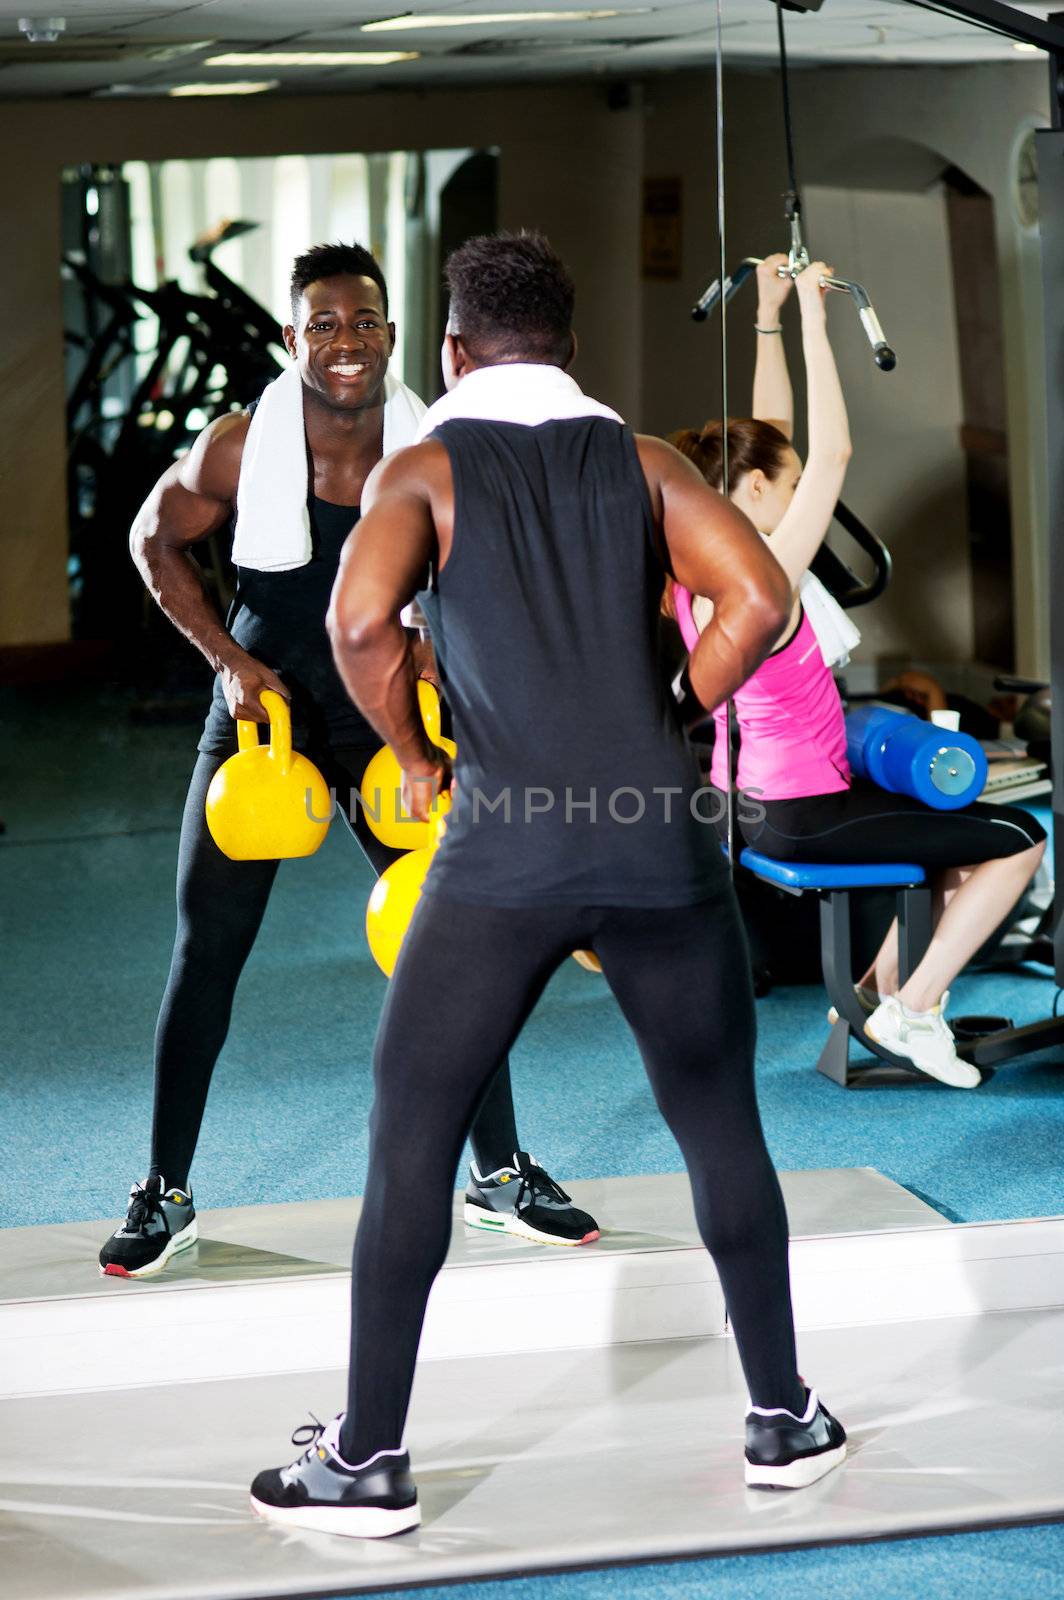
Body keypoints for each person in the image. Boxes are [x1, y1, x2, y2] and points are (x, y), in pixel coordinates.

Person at [249, 230, 848, 1538]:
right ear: (566, 348)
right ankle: (783, 1419)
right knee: (719, 1126)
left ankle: (366, 1460)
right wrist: (669, 708)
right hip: (656, 842)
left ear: (455, 352)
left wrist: (411, 754)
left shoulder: (426, 468)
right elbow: (755, 591)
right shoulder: (644, 463)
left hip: (505, 850)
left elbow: (358, 627)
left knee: (413, 1136)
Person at [98, 241, 598, 1280]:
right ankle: (164, 1189)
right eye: (322, 323)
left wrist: (436, 647)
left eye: (362, 321)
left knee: (452, 936)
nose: (345, 343)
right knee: (208, 949)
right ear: (293, 338)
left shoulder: (438, 447)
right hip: (266, 714)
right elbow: (154, 537)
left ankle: (498, 1172)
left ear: (393, 334)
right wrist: (229, 660)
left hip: (391, 715)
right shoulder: (239, 447)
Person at [671, 254, 1046, 1090]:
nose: (804, 487)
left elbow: (771, 438)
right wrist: (815, 315)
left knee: (957, 837)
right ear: (759, 494)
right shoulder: (765, 576)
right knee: (1023, 841)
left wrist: (766, 316)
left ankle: (885, 993)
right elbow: (832, 451)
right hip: (802, 813)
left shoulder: (699, 564)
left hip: (755, 805)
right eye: (791, 485)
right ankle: (915, 1012)